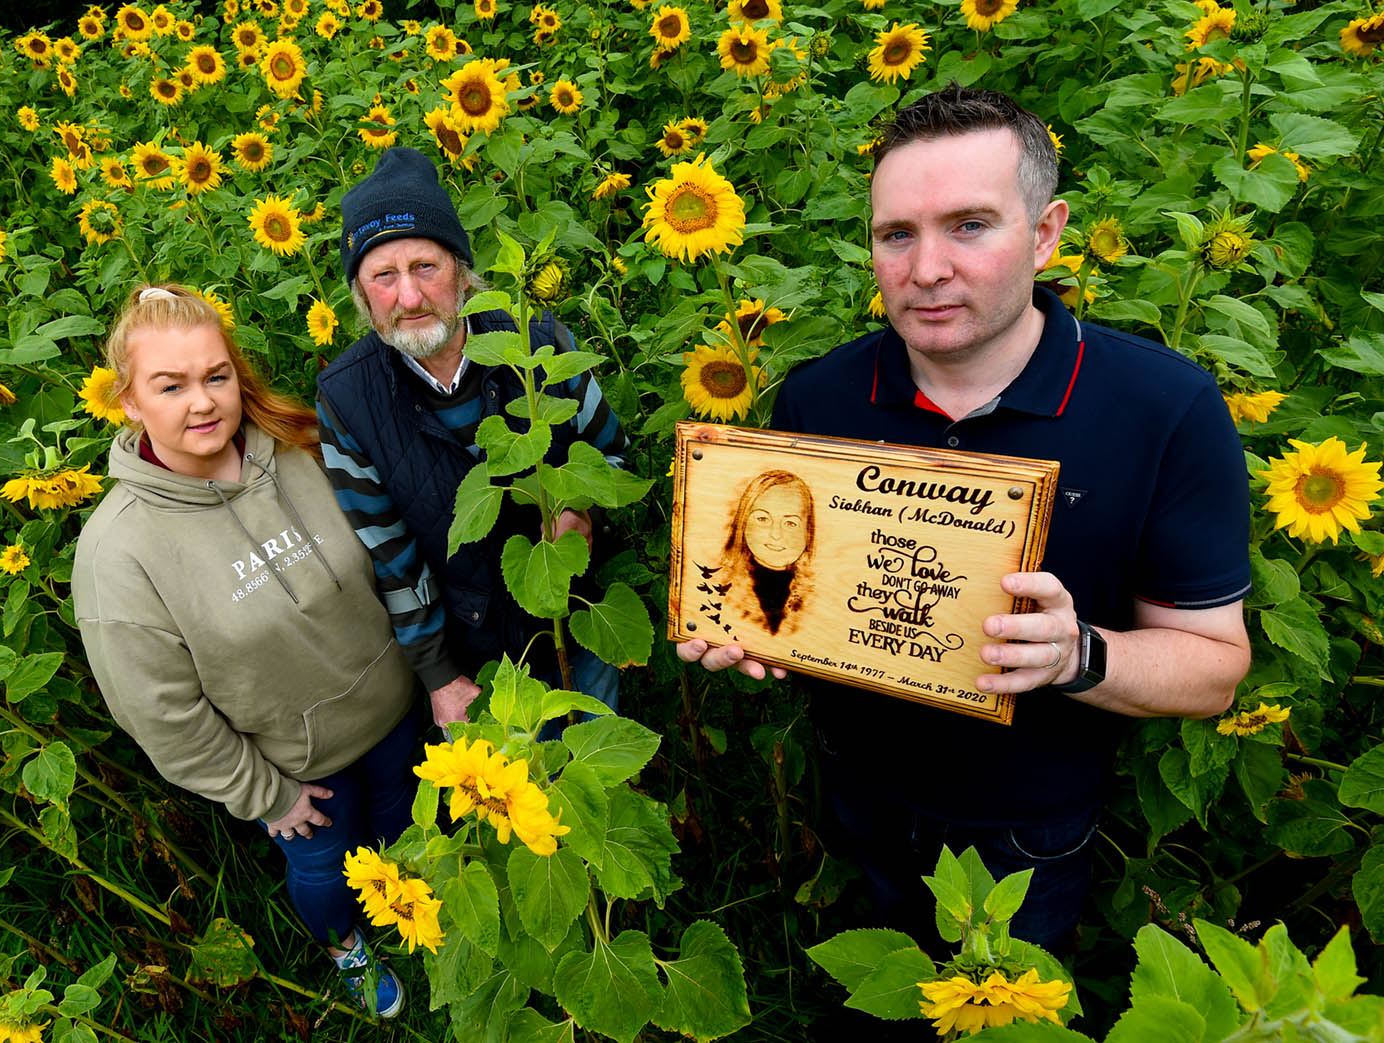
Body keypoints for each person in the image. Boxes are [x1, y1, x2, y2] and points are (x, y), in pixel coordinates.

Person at [678, 85, 1252, 955]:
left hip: (1024, 823)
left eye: (970, 225)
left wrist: (1077, 654)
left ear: (1047, 232)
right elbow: (787, 577)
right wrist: (751, 619)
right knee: (879, 979)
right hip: (859, 782)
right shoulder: (819, 396)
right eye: (896, 234)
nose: (927, 267)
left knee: (995, 1006)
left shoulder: (1163, 408)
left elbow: (1215, 667)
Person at [71, 284, 421, 1017]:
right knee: (325, 866)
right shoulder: (119, 553)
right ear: (129, 401)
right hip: (297, 769)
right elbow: (161, 712)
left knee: (403, 819)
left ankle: (414, 900)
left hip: (393, 709)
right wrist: (267, 794)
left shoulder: (301, 448)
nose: (202, 402)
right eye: (171, 385)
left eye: (216, 376)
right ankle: (346, 945)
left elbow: (391, 551)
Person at [315, 147, 629, 732]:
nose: (409, 298)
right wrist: (438, 675)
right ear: (360, 292)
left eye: (425, 267)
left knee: (597, 778)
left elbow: (610, 452)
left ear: (461, 270)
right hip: (476, 660)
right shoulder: (348, 400)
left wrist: (583, 510)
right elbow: (391, 556)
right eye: (384, 275)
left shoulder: (538, 345)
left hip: (572, 615)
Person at [714, 470, 816, 638]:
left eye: (790, 523)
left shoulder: (817, 596)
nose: (776, 534)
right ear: (743, 522)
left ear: (808, 530)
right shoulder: (720, 585)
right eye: (762, 519)